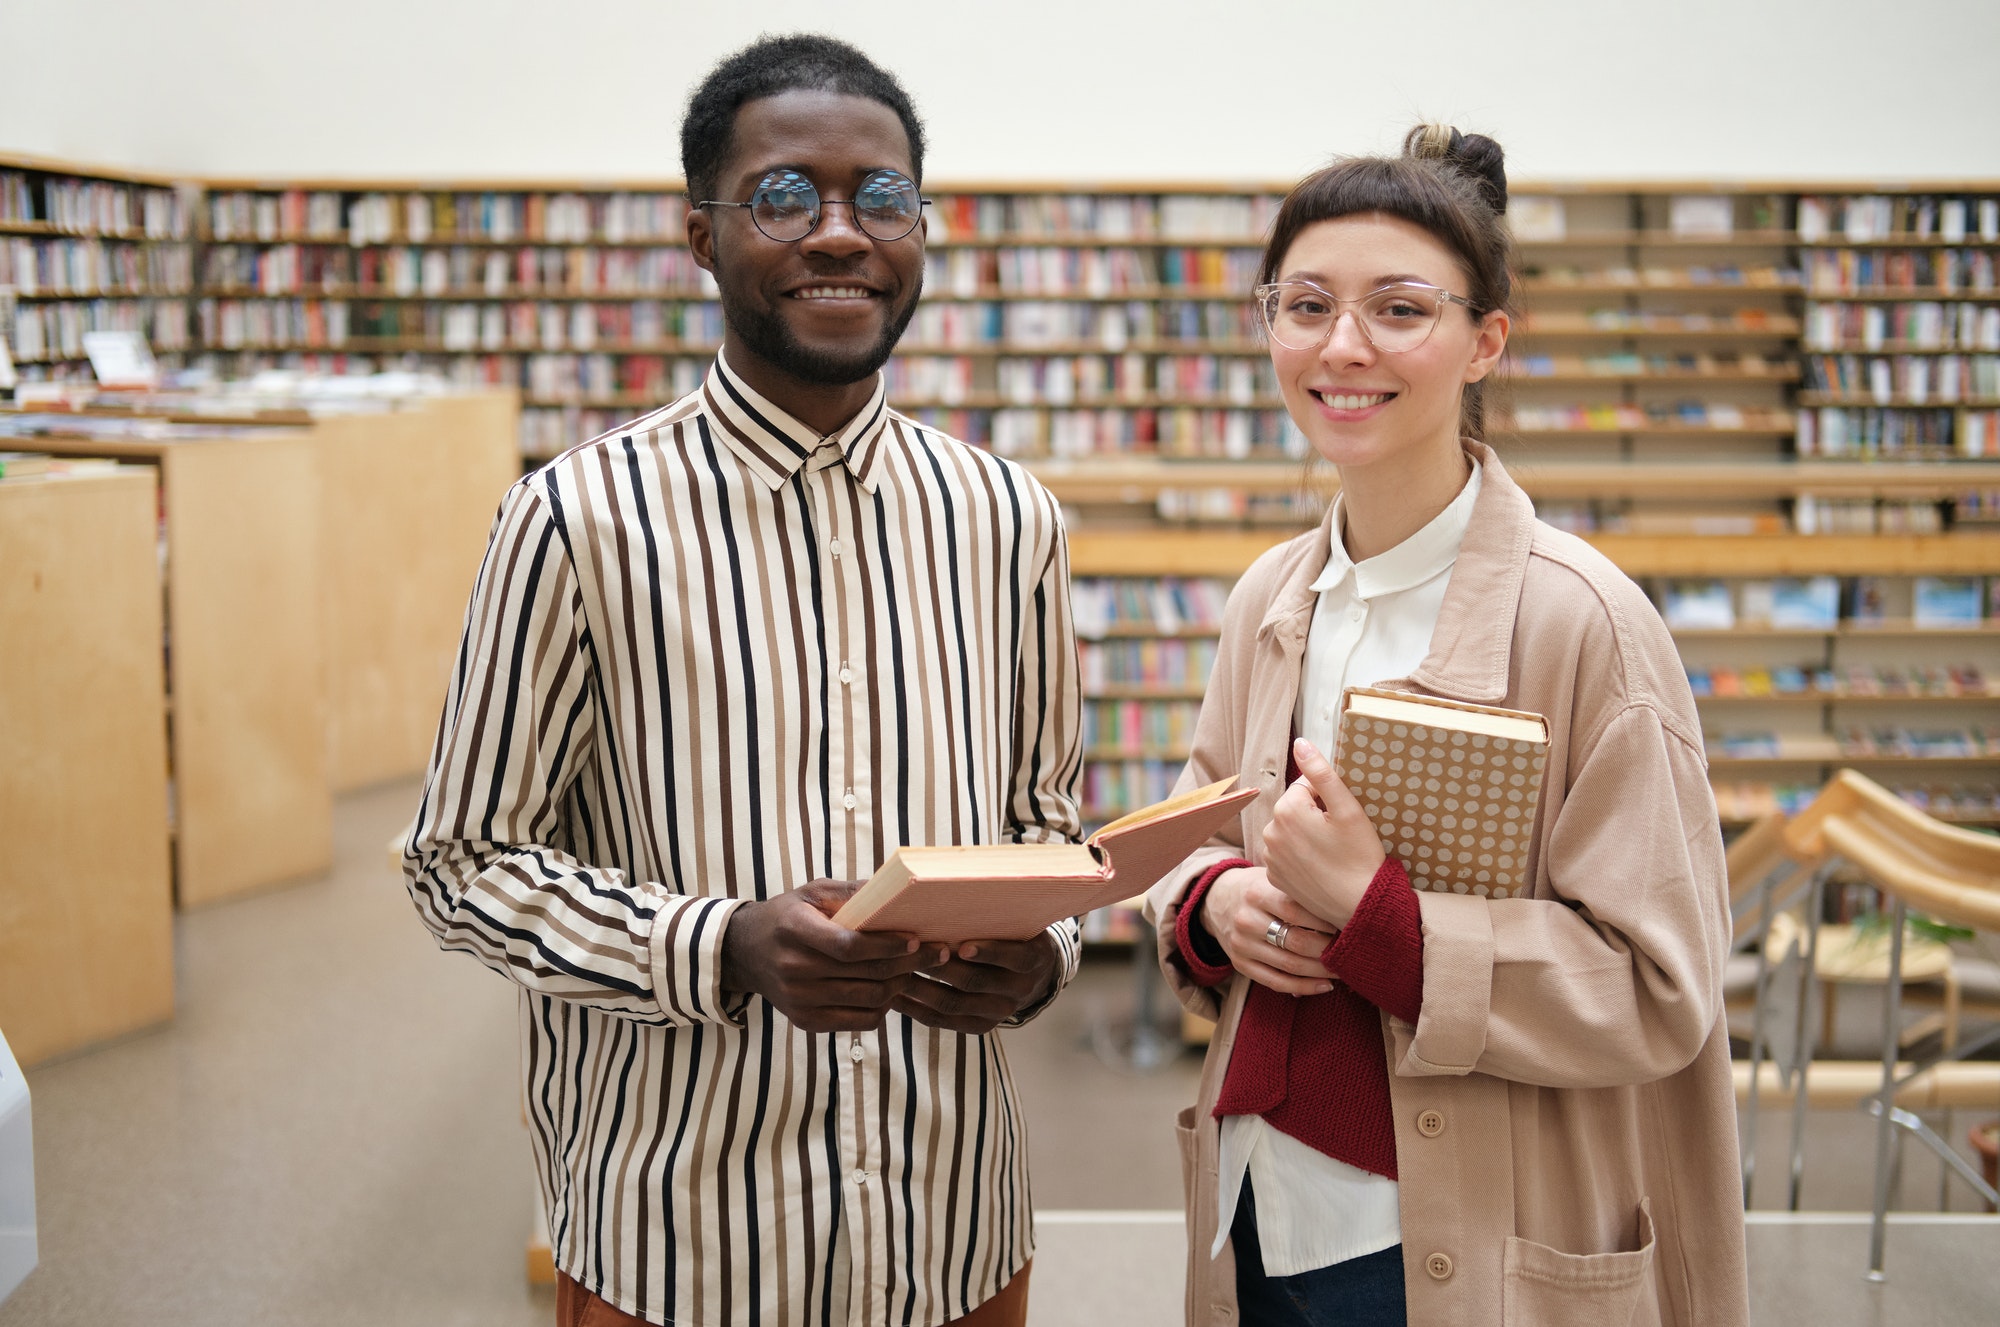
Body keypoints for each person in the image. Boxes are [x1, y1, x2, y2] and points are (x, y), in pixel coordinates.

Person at [404, 34, 1083, 1327]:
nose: (840, 232)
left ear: (921, 227)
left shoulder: (1011, 518)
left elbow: (1050, 823)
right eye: (782, 196)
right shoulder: (574, 518)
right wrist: (718, 945)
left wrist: (1039, 954)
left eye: (880, 196)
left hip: (952, 1227)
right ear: (703, 237)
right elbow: (463, 863)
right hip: (683, 1239)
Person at [1143, 125, 1750, 1326]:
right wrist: (1212, 903)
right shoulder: (1273, 595)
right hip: (1262, 1191)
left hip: (1457, 1226)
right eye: (1304, 304)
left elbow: (1658, 982)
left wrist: (1384, 920)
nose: (1341, 347)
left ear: (1484, 343)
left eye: (1398, 310)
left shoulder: (1584, 624)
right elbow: (1190, 821)